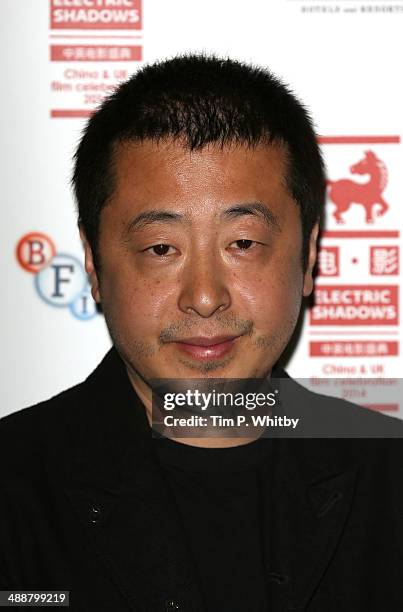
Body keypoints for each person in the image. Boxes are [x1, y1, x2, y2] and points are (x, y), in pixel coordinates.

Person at [1, 54, 403, 612]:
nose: (206, 296)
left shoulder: (390, 483)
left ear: (308, 254)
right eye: (161, 248)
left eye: (243, 243)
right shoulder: (14, 487)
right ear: (93, 264)